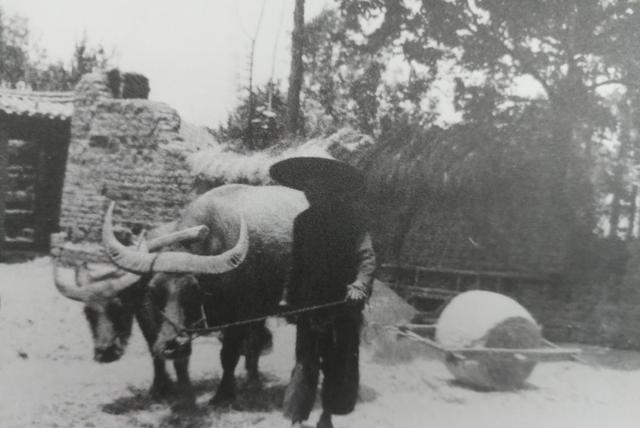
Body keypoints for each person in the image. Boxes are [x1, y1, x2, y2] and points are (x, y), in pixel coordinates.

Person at [269, 156, 376, 428]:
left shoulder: (354, 220)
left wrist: (360, 285)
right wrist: (287, 296)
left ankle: (327, 415)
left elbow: (366, 258)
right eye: (307, 189)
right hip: (310, 303)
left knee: (337, 364)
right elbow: (296, 263)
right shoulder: (303, 222)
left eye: (316, 189)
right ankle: (297, 416)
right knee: (305, 361)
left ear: (331, 189)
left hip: (343, 305)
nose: (310, 194)